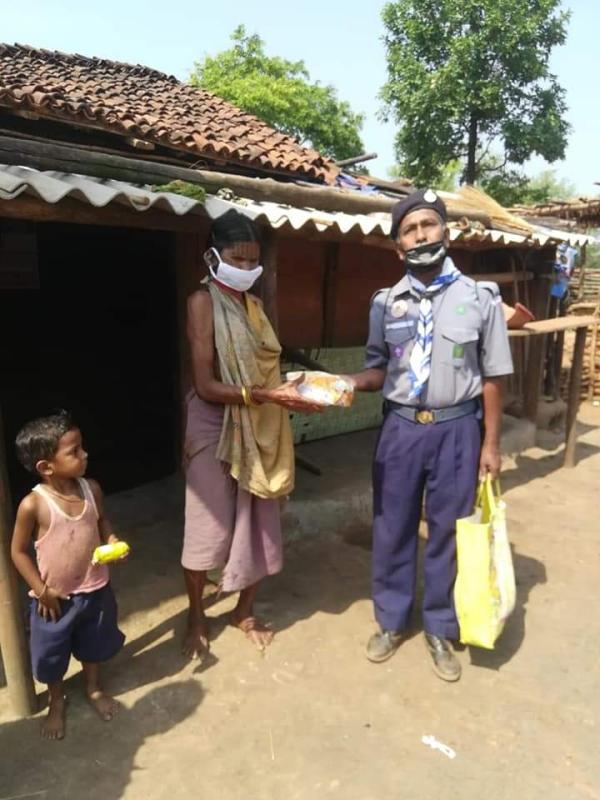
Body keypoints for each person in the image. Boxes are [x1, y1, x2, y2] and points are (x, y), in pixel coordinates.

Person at [347, 189, 513, 681]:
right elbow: (377, 369)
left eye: (428, 225)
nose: (420, 235)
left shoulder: (480, 299)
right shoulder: (386, 303)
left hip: (458, 430)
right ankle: (392, 621)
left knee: (447, 530)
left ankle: (440, 626)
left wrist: (491, 443)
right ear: (398, 245)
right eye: (409, 230)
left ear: (446, 231)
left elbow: (493, 376)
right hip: (400, 430)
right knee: (392, 525)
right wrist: (347, 383)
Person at [181, 210, 319, 659]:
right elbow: (205, 385)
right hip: (213, 420)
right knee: (208, 528)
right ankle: (198, 614)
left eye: (252, 261)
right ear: (212, 256)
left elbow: (267, 367)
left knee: (261, 520)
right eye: (237, 259)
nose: (246, 269)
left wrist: (291, 391)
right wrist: (268, 396)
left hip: (260, 420)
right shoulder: (202, 302)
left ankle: (243, 609)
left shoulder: (254, 308)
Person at [11, 411, 126, 739]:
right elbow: (17, 552)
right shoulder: (34, 505)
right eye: (74, 451)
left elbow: (101, 521)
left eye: (82, 447)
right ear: (46, 467)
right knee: (52, 654)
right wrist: (40, 589)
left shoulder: (92, 489)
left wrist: (112, 540)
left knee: (94, 643)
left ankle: (92, 688)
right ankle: (56, 701)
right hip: (54, 599)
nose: (84, 454)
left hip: (95, 587)